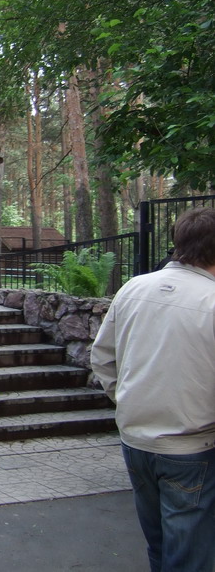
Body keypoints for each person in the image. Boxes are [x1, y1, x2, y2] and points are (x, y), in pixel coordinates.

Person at [91, 206, 215, 572]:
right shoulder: (210, 298)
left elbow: (102, 357)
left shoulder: (133, 288)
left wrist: (125, 399)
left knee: (159, 545)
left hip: (136, 440)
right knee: (189, 554)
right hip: (192, 445)